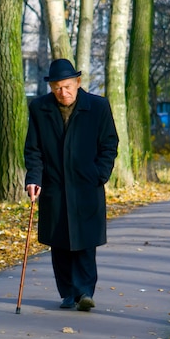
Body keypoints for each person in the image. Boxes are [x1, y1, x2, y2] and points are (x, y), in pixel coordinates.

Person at [24, 58, 119, 311]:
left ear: (77, 83)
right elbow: (33, 150)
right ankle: (67, 293)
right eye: (56, 87)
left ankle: (84, 292)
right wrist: (33, 179)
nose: (62, 92)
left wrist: (99, 174)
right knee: (60, 242)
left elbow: (109, 144)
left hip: (86, 185)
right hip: (54, 185)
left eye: (66, 86)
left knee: (85, 242)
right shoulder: (39, 108)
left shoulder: (98, 107)